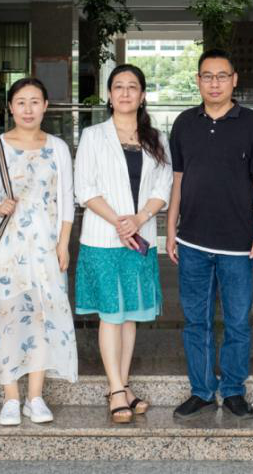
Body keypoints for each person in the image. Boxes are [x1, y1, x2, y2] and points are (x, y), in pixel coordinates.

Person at [166, 48, 253, 420]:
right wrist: (170, 228)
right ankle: (200, 390)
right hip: (192, 241)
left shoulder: (252, 123)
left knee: (238, 321)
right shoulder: (184, 123)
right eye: (207, 76)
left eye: (222, 76)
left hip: (238, 244)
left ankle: (233, 390)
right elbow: (178, 180)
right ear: (198, 80)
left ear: (234, 80)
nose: (215, 83)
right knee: (196, 321)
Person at [0, 77, 77, 426]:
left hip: (46, 249)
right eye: (21, 102)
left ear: (46, 106)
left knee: (43, 317)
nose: (28, 109)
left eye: (35, 102)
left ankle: (35, 397)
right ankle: (11, 397)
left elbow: (67, 201)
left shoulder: (58, 147)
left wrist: (63, 244)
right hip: (7, 248)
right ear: (10, 108)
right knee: (7, 317)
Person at [74, 64, 172, 424]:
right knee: (110, 315)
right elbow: (84, 188)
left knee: (130, 314)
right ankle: (115, 389)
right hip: (102, 238)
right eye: (119, 86)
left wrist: (140, 219)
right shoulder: (93, 135)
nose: (126, 92)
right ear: (109, 95)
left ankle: (123, 384)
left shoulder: (156, 138)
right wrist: (119, 221)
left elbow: (163, 186)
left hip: (138, 239)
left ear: (142, 95)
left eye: (133, 87)